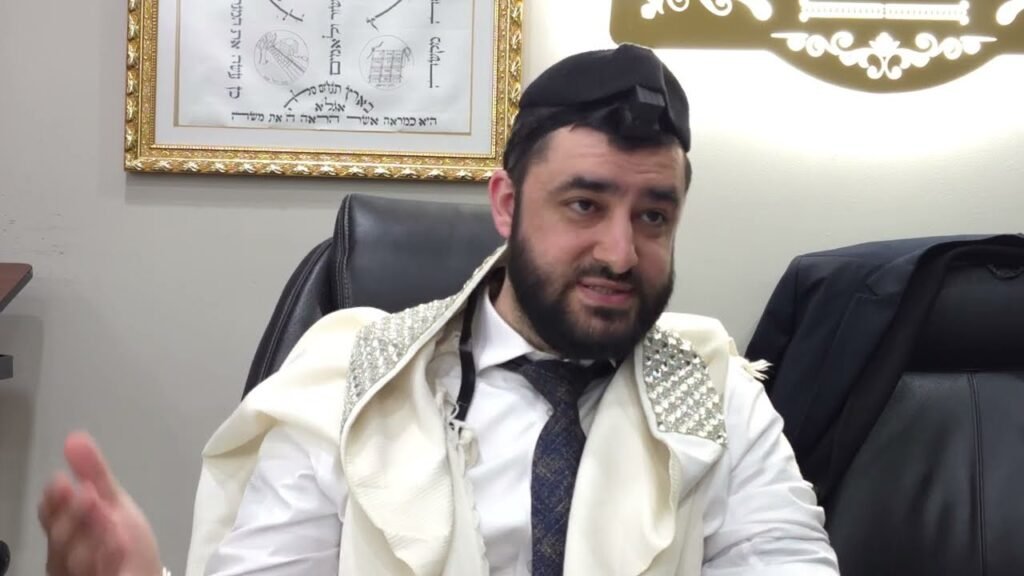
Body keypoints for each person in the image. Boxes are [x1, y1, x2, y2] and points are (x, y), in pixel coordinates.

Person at [38, 44, 839, 576]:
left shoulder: (717, 394)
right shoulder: (348, 381)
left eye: (653, 216)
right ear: (507, 204)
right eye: (584, 205)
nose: (621, 252)